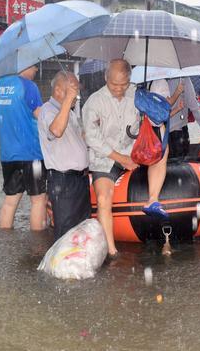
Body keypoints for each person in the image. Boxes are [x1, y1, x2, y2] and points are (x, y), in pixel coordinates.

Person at [83, 59, 168, 258]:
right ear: (106, 78)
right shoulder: (94, 102)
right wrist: (120, 159)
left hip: (134, 152)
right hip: (105, 158)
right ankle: (111, 250)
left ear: (130, 80)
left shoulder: (136, 95)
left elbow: (158, 120)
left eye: (123, 84)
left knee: (162, 143)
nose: (119, 89)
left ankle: (153, 199)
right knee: (104, 198)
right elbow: (91, 137)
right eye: (114, 85)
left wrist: (151, 107)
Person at [0, 64, 47, 231]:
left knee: (10, 201)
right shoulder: (29, 86)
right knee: (38, 200)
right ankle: (38, 246)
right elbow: (41, 116)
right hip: (32, 153)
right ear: (25, 63)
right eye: (35, 66)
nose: (36, 70)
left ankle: (7, 242)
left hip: (8, 154)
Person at [37, 71, 90, 240]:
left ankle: (78, 265)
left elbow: (78, 139)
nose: (77, 96)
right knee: (66, 233)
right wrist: (68, 100)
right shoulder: (48, 110)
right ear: (59, 91)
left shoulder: (70, 111)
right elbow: (57, 130)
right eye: (73, 90)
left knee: (82, 229)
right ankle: (60, 266)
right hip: (63, 181)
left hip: (80, 179)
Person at [165, 77, 200, 160]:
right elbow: (193, 105)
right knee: (180, 166)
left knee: (167, 167)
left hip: (161, 131)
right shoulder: (183, 78)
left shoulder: (156, 78)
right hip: (178, 131)